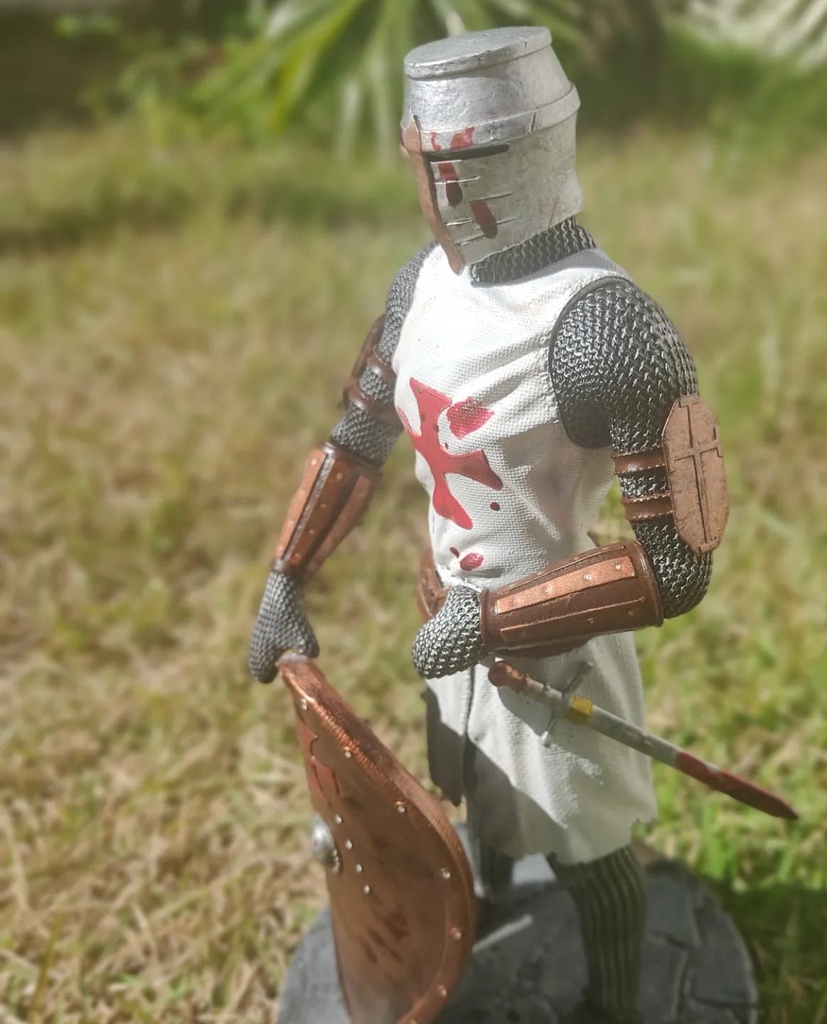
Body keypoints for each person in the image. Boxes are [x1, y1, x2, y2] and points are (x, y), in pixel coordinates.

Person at [249, 26, 727, 1024]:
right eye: (430, 166)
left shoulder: (607, 328)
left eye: (462, 165)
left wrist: (497, 621)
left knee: (588, 848)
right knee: (481, 811)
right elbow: (356, 441)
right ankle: (484, 912)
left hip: (555, 658)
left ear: (529, 153)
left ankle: (615, 1006)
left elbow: (677, 565)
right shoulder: (420, 286)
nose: (445, 193)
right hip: (451, 631)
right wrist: (285, 578)